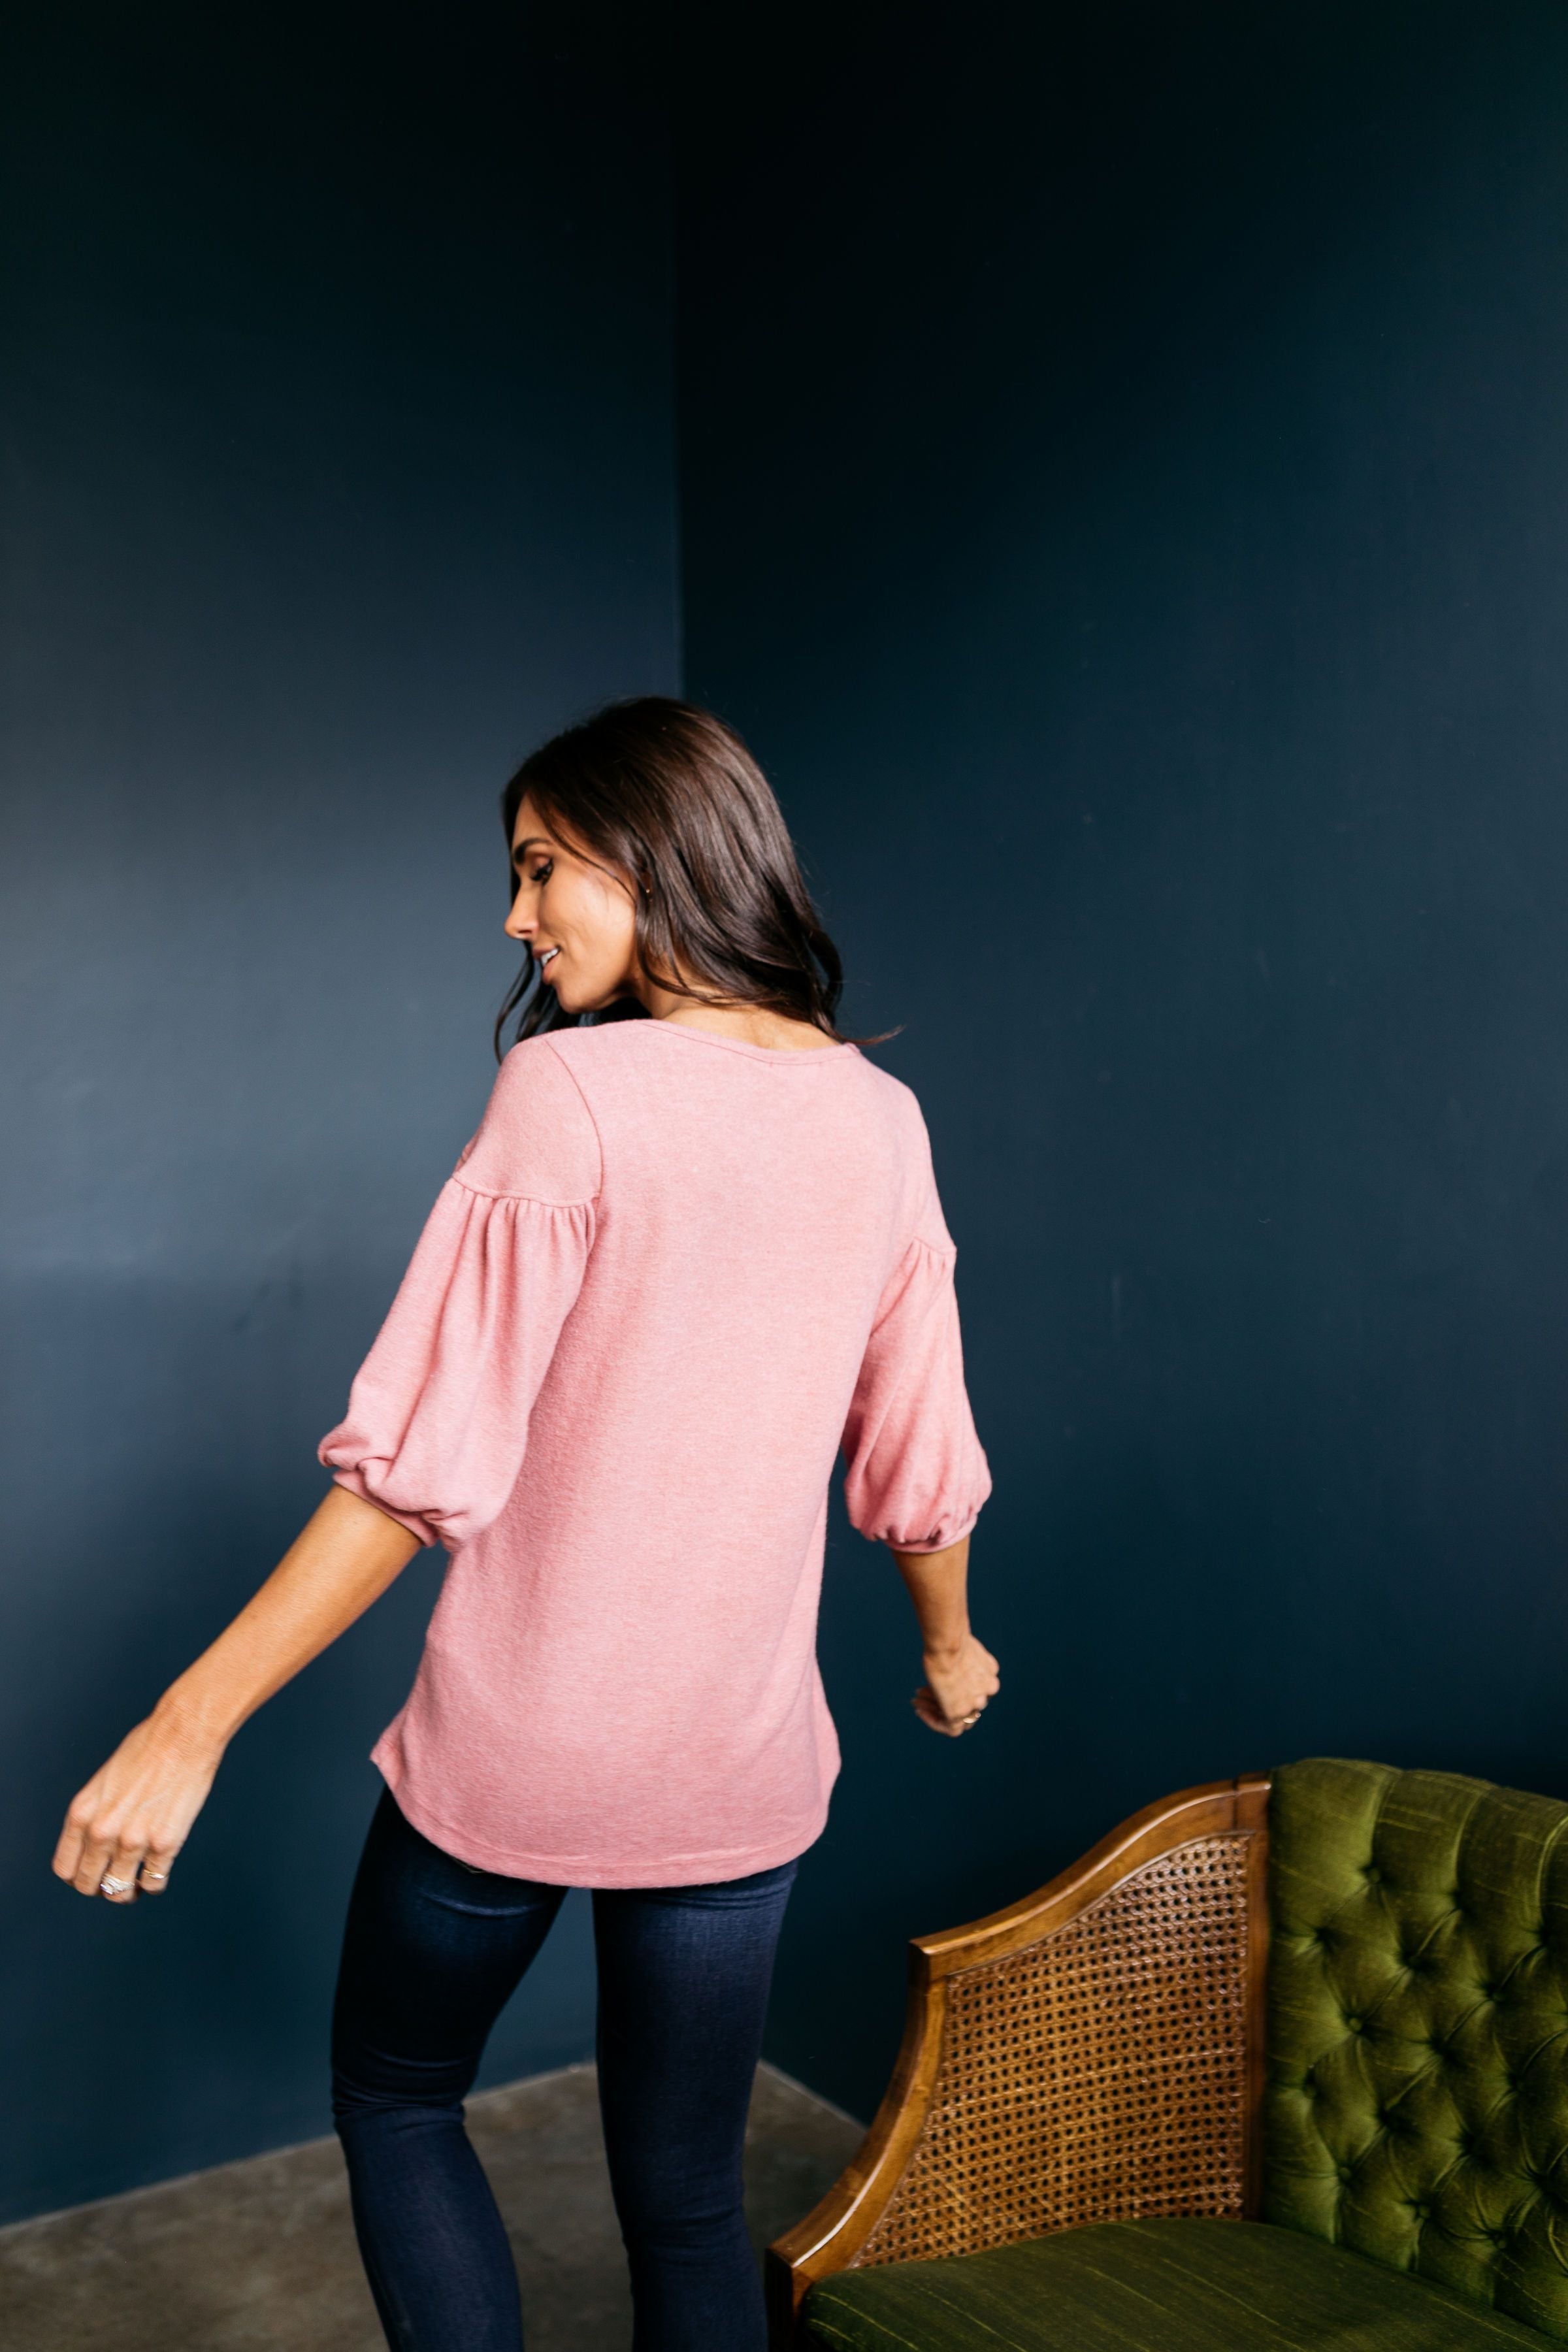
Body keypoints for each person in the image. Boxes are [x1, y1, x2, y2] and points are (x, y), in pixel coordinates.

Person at [50, 697, 997, 2352]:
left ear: (649, 850)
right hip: (739, 1770)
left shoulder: (572, 1096)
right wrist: (949, 1643)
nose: (514, 914)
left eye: (538, 866)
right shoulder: (882, 1120)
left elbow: (413, 1475)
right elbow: (922, 1460)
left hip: (519, 1761)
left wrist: (183, 1721)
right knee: (692, 2201)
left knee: (402, 2100)